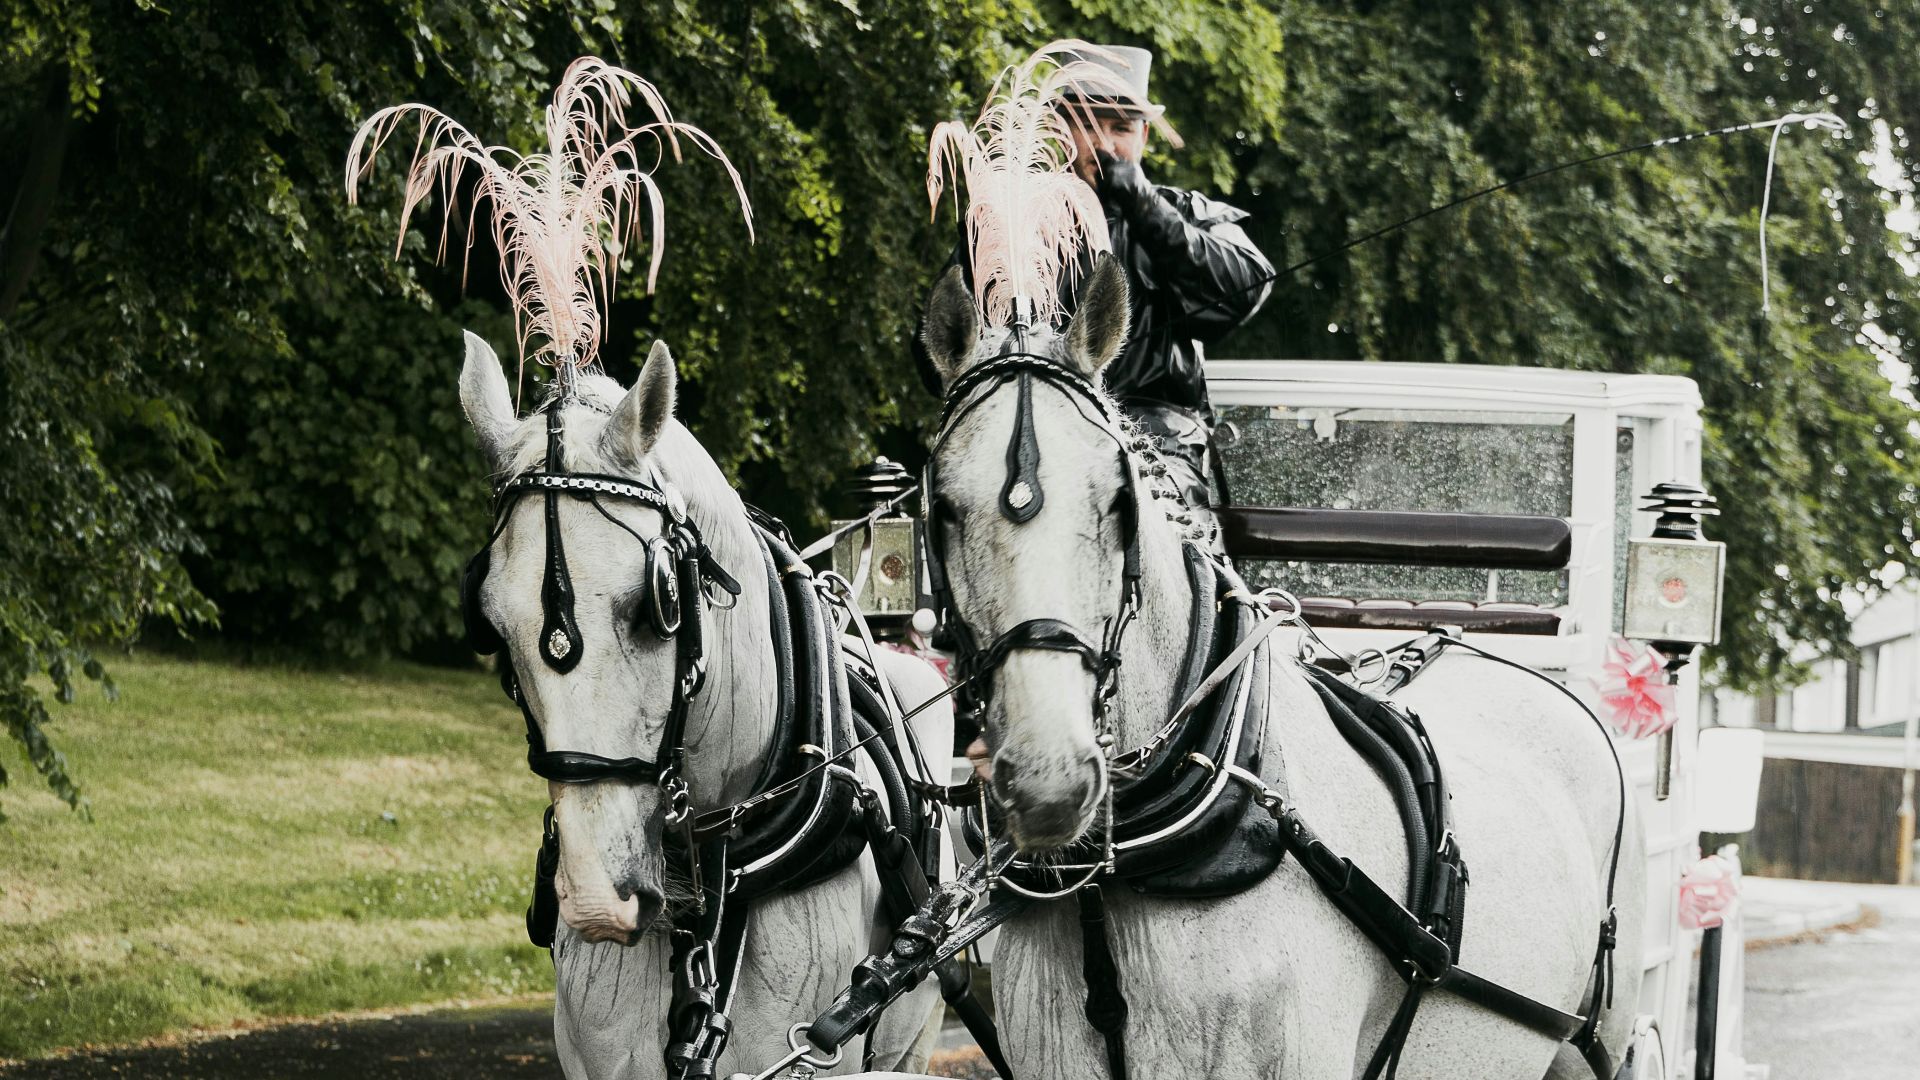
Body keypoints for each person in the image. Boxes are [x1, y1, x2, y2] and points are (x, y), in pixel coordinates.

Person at [917, 44, 1275, 528]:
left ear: (1144, 136)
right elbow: (935, 356)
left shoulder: (1188, 214)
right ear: (1061, 129)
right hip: (1030, 435)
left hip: (1158, 443)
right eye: (1089, 123)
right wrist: (982, 241)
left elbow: (1246, 288)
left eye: (1122, 127)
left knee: (1180, 537)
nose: (1105, 144)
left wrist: (1146, 209)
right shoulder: (1013, 225)